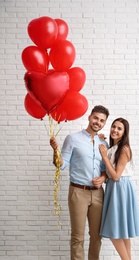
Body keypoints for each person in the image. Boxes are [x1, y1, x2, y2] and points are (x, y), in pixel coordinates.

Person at [50, 105, 110, 260]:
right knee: (78, 237)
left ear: (104, 123)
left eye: (102, 120)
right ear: (90, 117)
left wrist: (103, 178)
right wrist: (55, 150)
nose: (98, 122)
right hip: (78, 193)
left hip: (98, 194)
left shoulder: (104, 143)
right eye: (96, 118)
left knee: (97, 236)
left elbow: (106, 169)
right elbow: (61, 165)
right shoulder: (73, 138)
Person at [99, 118, 139, 260]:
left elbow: (116, 176)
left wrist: (104, 157)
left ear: (124, 133)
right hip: (115, 188)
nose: (115, 130)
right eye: (113, 127)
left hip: (120, 188)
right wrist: (103, 139)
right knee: (123, 232)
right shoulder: (115, 148)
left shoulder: (124, 149)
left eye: (119, 129)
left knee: (114, 230)